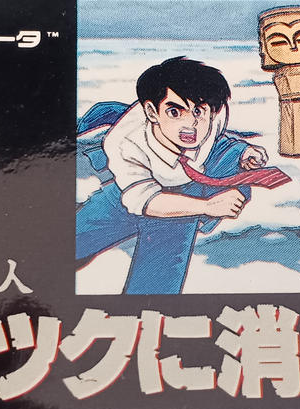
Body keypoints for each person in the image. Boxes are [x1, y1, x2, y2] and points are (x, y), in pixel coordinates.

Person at [76, 57, 288, 295]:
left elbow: (216, 140)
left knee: (152, 293)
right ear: (152, 112)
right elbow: (146, 201)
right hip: (130, 191)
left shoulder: (214, 115)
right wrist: (208, 206)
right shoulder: (126, 144)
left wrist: (242, 153)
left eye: (198, 111)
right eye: (175, 112)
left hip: (184, 198)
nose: (191, 125)